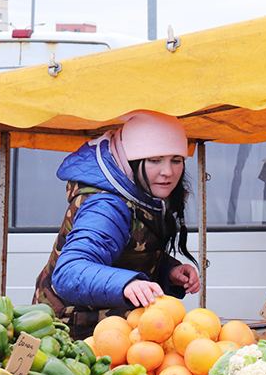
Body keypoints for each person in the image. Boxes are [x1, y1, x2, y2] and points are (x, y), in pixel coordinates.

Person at [34, 111, 201, 338]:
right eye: (154, 160)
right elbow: (69, 272)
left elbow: (125, 251)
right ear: (129, 160)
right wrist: (126, 284)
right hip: (69, 335)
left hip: (110, 329)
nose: (167, 172)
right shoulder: (106, 206)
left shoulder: (143, 195)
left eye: (176, 160)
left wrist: (167, 270)